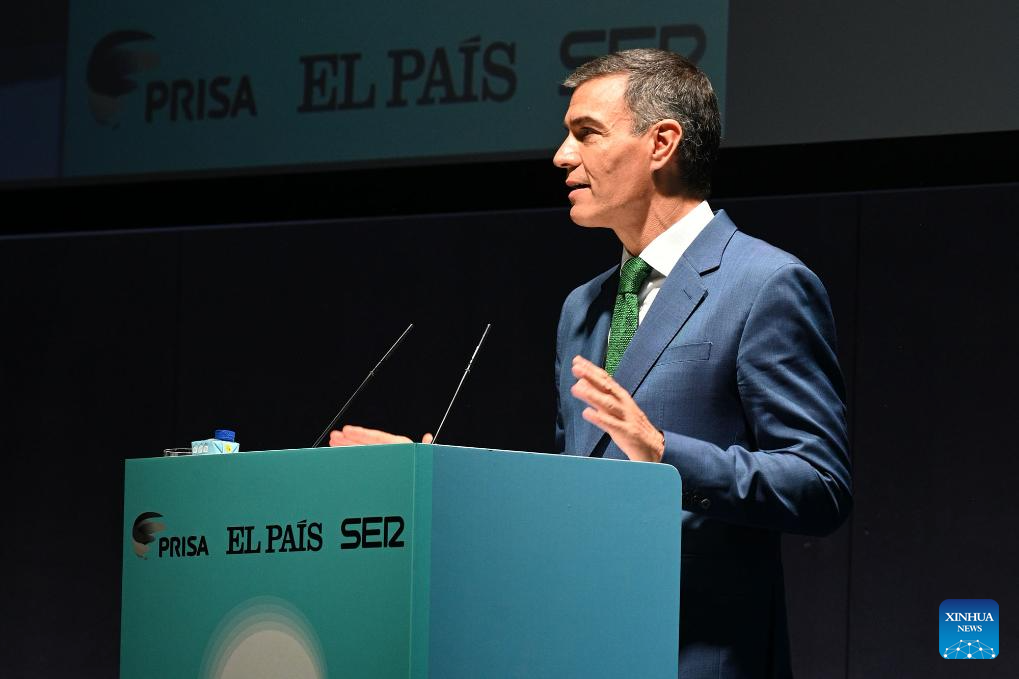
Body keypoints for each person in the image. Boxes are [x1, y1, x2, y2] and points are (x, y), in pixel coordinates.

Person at [333, 48, 852, 679]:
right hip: (582, 650)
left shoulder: (764, 284)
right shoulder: (583, 306)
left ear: (662, 143)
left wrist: (665, 455)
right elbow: (572, 494)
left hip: (696, 658)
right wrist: (440, 478)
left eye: (586, 133)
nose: (561, 156)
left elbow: (820, 484)